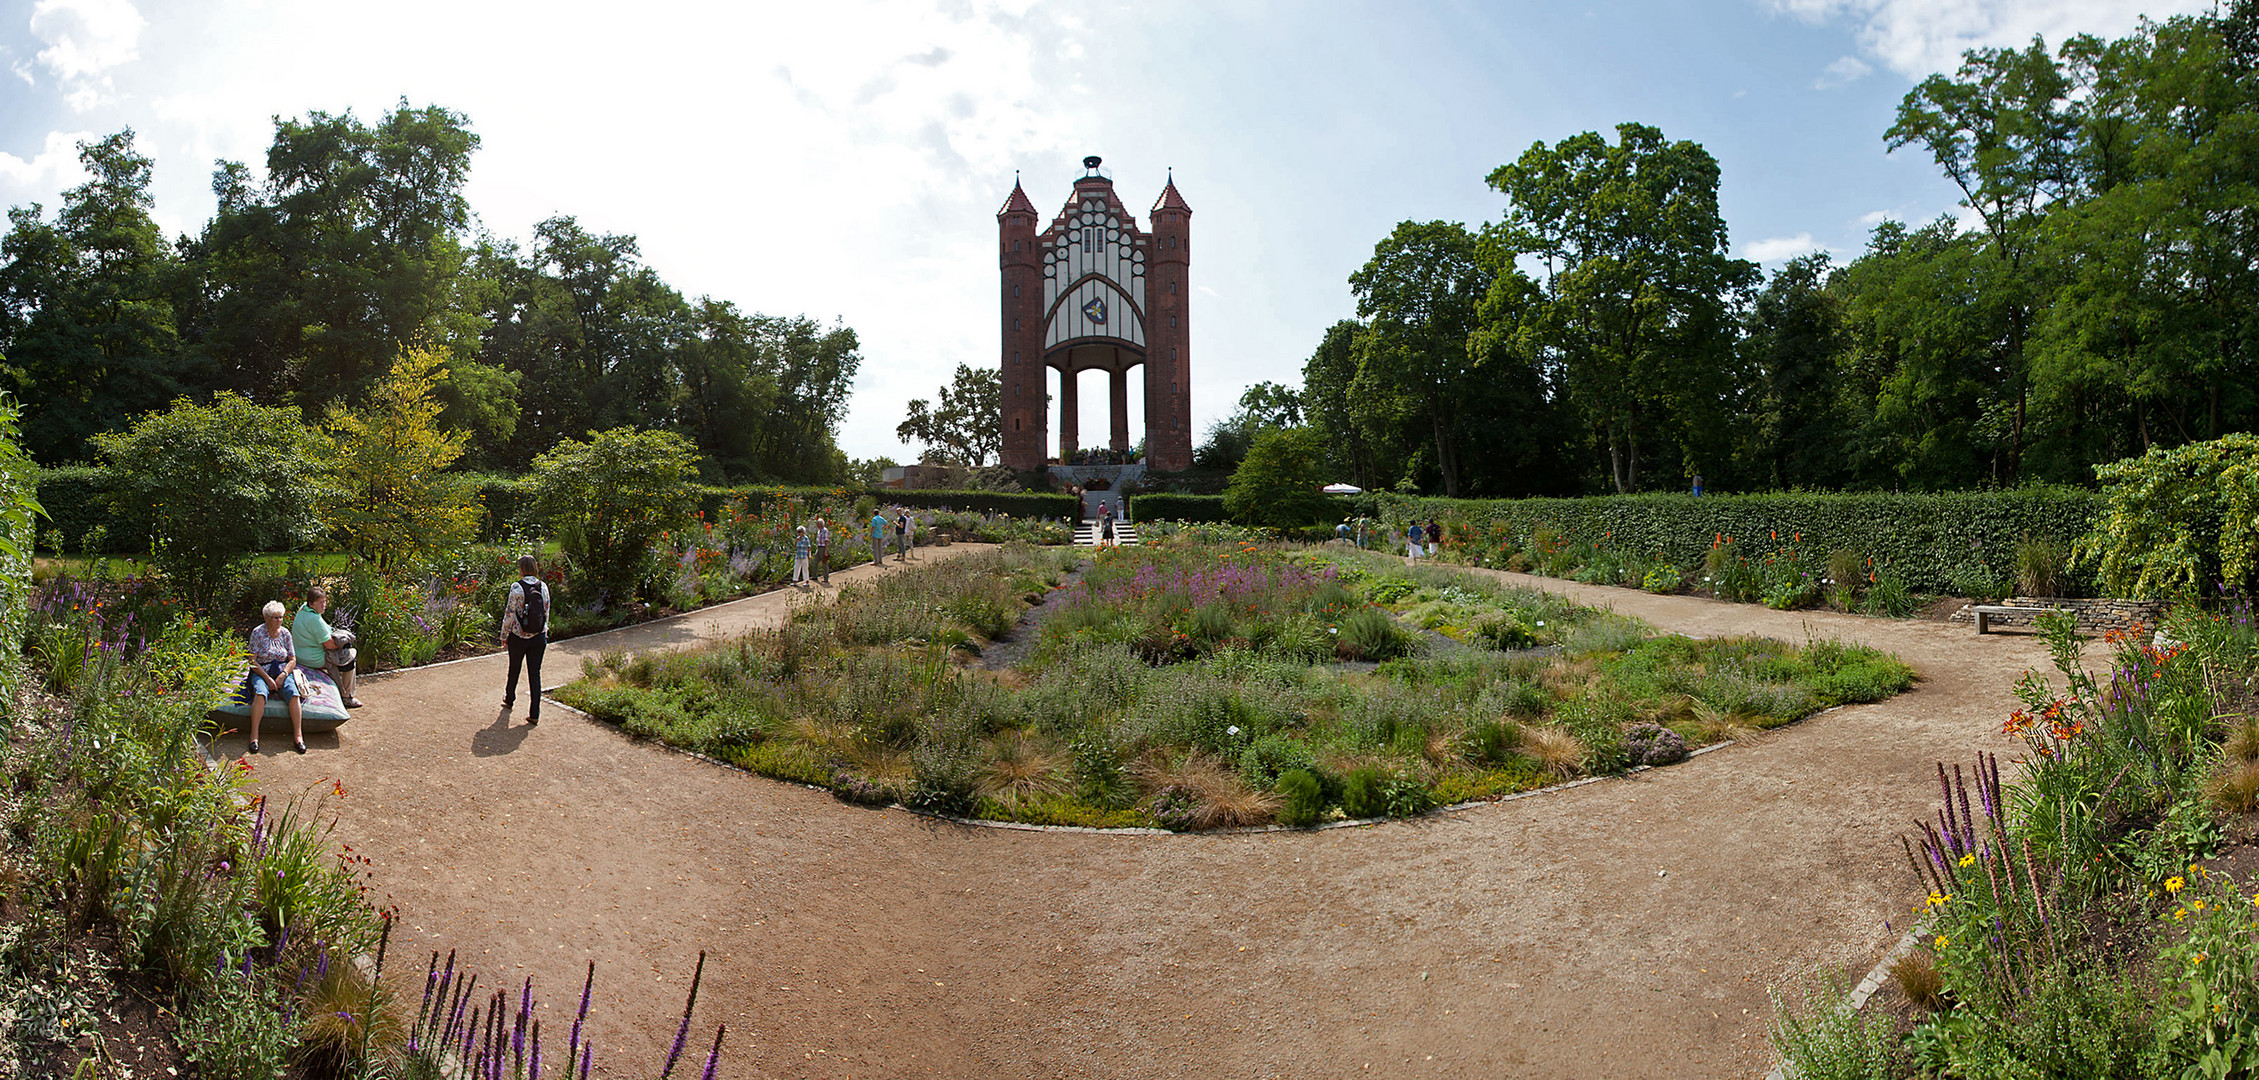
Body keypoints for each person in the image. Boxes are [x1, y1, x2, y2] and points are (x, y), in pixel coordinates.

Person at [243, 600, 306, 755]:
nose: (279, 621)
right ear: (267, 618)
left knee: (294, 693)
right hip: (262, 670)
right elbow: (252, 660)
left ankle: (298, 736)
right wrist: (267, 678)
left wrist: (283, 675)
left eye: (281, 617)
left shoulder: (285, 633)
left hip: (281, 669)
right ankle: (254, 736)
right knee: (260, 692)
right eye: (275, 618)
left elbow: (292, 659)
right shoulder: (257, 633)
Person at [292, 584, 364, 709]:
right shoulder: (313, 619)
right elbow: (330, 645)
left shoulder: (303, 610)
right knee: (350, 656)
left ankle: (342, 690)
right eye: (320, 603)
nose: (324, 605)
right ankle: (347, 696)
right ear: (311, 603)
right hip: (313, 658)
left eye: (325, 602)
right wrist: (344, 642)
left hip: (300, 654)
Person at [499, 555, 549, 727]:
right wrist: (545, 631)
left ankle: (509, 699)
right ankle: (534, 713)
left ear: (521, 568)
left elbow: (510, 613)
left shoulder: (517, 587)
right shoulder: (543, 586)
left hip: (519, 636)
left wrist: (504, 635)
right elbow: (546, 610)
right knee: (535, 674)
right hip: (539, 636)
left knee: (514, 669)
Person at [812, 517, 832, 585]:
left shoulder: (825, 530)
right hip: (819, 547)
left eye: (818, 523)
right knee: (815, 562)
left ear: (821, 524)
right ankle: (814, 576)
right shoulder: (819, 531)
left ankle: (826, 578)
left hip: (823, 548)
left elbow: (826, 541)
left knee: (824, 563)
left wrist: (825, 551)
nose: (817, 525)